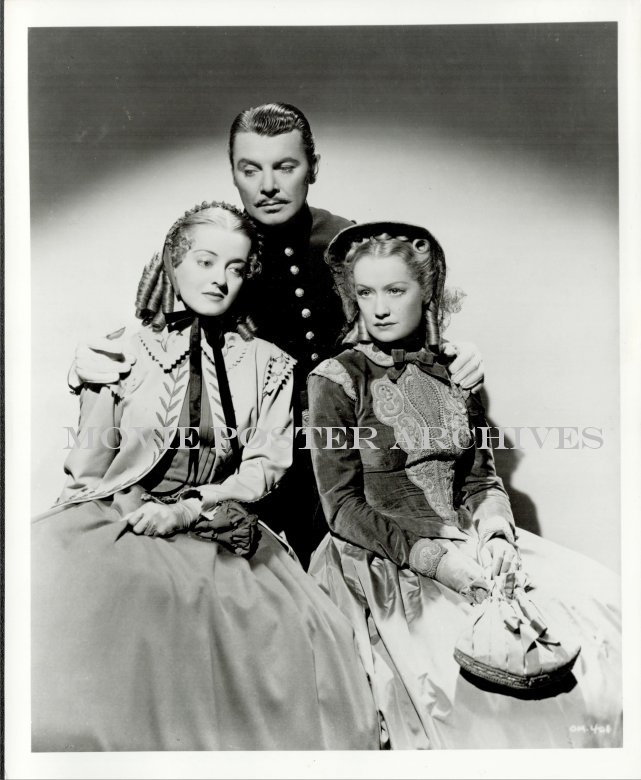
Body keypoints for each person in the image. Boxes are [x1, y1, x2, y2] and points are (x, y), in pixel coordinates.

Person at [67, 103, 485, 568]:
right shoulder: (219, 246)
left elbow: (403, 318)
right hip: (254, 463)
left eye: (286, 167)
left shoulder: (347, 241)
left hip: (355, 454)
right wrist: (84, 364)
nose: (268, 185)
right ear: (233, 172)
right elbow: (157, 341)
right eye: (250, 170)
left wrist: (455, 353)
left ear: (313, 168)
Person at [31, 202, 380, 752]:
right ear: (173, 262)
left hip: (215, 520)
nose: (220, 279)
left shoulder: (269, 364)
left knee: (304, 634)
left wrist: (192, 506)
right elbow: (88, 466)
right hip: (125, 519)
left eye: (236, 268)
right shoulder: (117, 350)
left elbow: (265, 466)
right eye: (206, 261)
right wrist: (83, 532)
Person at [306, 220, 622, 750]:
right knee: (458, 697)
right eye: (365, 292)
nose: (378, 308)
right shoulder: (335, 379)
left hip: (469, 542)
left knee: (601, 616)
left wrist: (495, 532)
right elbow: (340, 507)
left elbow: (481, 478)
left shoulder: (457, 369)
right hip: (381, 558)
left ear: (426, 291)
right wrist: (436, 562)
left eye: (395, 290)